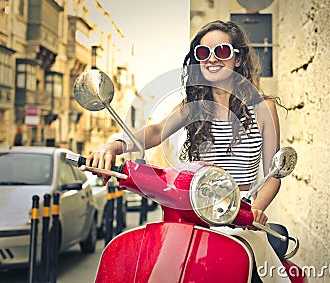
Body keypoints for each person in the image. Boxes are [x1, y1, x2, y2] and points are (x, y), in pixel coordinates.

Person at [87, 20, 282, 226]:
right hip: (199, 212)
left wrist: (254, 210)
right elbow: (156, 131)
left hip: (243, 214)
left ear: (238, 58)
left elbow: (274, 174)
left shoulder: (263, 108)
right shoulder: (194, 107)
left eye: (222, 51)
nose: (212, 59)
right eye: (203, 53)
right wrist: (113, 146)